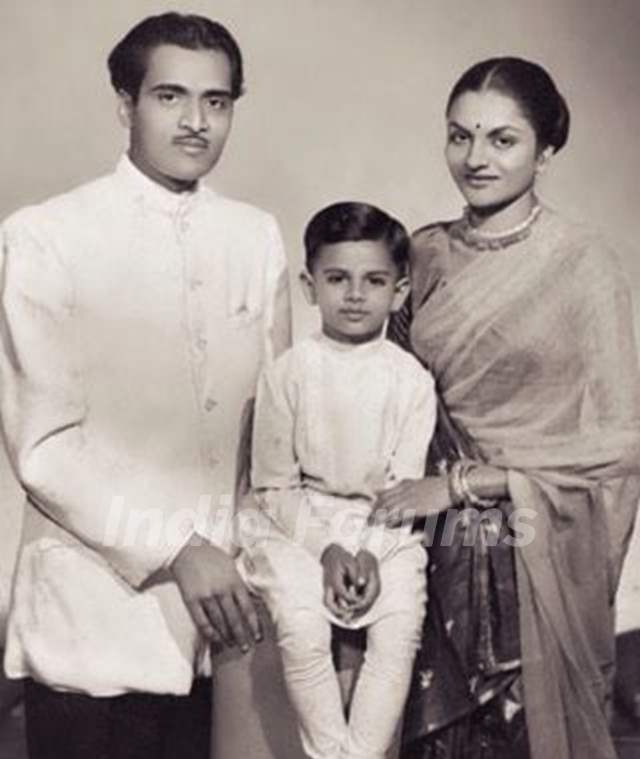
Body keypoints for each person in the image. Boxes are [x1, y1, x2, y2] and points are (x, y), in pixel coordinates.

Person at [0, 12, 290, 759]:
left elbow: (272, 437)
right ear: (125, 102)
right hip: (91, 630)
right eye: (170, 96)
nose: (196, 122)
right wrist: (178, 547)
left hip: (221, 632)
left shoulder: (255, 236)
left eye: (217, 101)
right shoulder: (46, 235)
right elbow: (46, 449)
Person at [375, 57, 640, 759]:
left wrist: (469, 483)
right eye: (460, 137)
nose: (476, 158)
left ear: (546, 149)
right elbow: (382, 388)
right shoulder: (421, 253)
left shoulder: (584, 262)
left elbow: (622, 440)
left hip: (538, 545)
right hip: (422, 541)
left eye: (502, 139)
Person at [237, 202, 436, 759]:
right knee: (301, 621)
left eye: (373, 281)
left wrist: (370, 551)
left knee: (399, 627)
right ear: (310, 285)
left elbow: (404, 486)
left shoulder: (411, 381)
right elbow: (274, 486)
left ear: (398, 292)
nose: (354, 295)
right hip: (296, 524)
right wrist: (326, 550)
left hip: (385, 527)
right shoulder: (287, 375)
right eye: (337, 279)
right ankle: (330, 752)